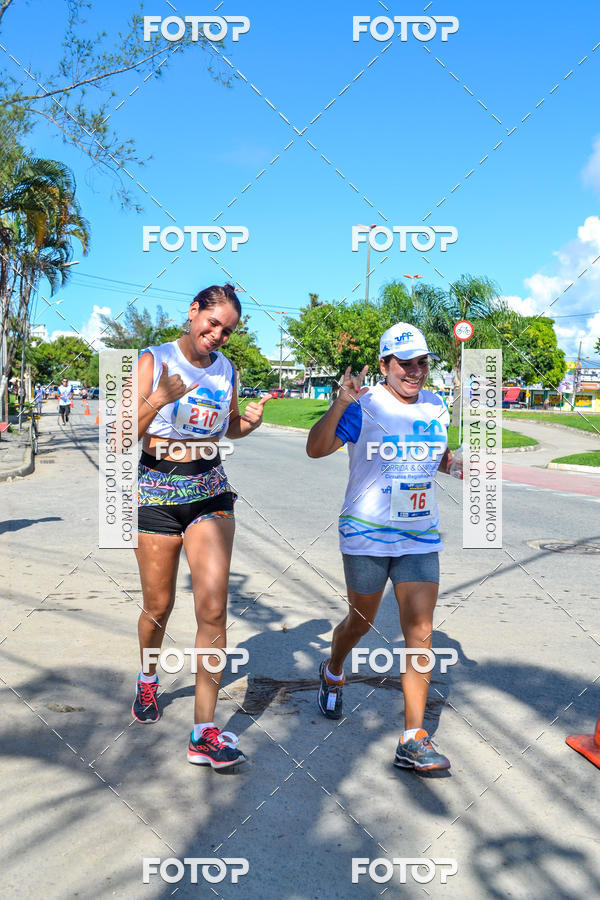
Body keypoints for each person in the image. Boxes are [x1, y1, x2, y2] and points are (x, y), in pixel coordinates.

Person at [306, 323, 460, 773]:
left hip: (419, 535)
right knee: (360, 622)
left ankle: (413, 738)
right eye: (404, 363)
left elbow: (433, 456)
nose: (415, 371)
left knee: (421, 631)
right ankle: (334, 668)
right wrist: (340, 403)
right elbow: (316, 449)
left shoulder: (436, 404)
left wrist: (457, 466)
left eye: (421, 362)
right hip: (367, 534)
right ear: (384, 366)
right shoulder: (365, 405)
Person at [133, 283, 270, 770]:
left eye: (227, 330)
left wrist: (247, 424)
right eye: (212, 323)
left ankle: (204, 732)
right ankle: (148, 678)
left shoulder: (227, 369)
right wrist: (160, 397)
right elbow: (121, 433)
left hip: (209, 491)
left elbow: (227, 426)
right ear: (193, 312)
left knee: (213, 609)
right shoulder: (155, 359)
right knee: (159, 606)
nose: (218, 335)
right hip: (157, 494)